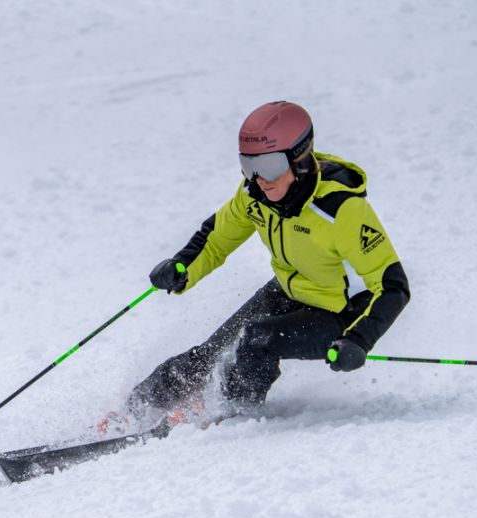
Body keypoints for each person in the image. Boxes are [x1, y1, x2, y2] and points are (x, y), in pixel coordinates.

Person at [125, 101, 411, 424]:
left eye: (271, 165)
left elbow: (393, 286)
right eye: (249, 165)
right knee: (210, 353)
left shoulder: (340, 209)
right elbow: (218, 236)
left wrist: (359, 340)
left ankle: (228, 415)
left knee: (254, 341)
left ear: (300, 159)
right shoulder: (256, 196)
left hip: (341, 312)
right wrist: (182, 266)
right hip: (291, 291)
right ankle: (134, 408)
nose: (260, 178)